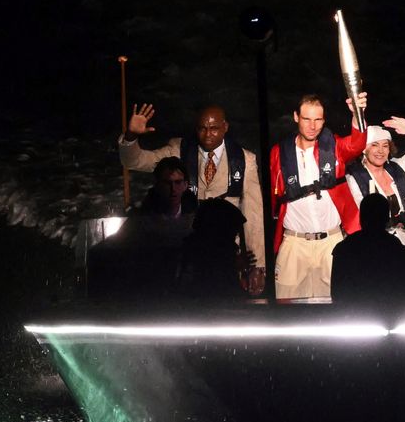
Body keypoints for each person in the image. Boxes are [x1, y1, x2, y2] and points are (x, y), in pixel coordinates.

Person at [119, 103, 266, 295]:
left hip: (227, 256)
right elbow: (135, 161)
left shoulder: (244, 159)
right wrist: (131, 136)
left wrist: (258, 266)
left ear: (225, 127)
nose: (207, 134)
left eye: (214, 129)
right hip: (188, 255)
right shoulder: (178, 150)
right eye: (202, 128)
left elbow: (254, 214)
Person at [269, 92, 368, 299]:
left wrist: (358, 113)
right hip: (294, 244)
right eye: (306, 119)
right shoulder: (279, 152)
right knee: (288, 311)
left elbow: (357, 145)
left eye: (318, 120)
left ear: (324, 120)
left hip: (331, 242)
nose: (312, 126)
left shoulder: (334, 147)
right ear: (296, 117)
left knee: (338, 306)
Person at [345, 118, 405, 263]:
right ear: (364, 149)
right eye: (374, 145)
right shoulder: (354, 179)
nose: (380, 150)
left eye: (385, 145)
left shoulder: (399, 169)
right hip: (374, 251)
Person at [331, 194, 405, 303]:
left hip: (355, 316)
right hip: (392, 316)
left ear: (360, 218)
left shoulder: (343, 251)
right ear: (386, 219)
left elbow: (337, 294)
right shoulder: (404, 254)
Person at [177, 198, 250, 301]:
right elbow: (226, 291)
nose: (235, 244)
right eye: (233, 234)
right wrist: (233, 264)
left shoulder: (192, 249)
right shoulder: (213, 256)